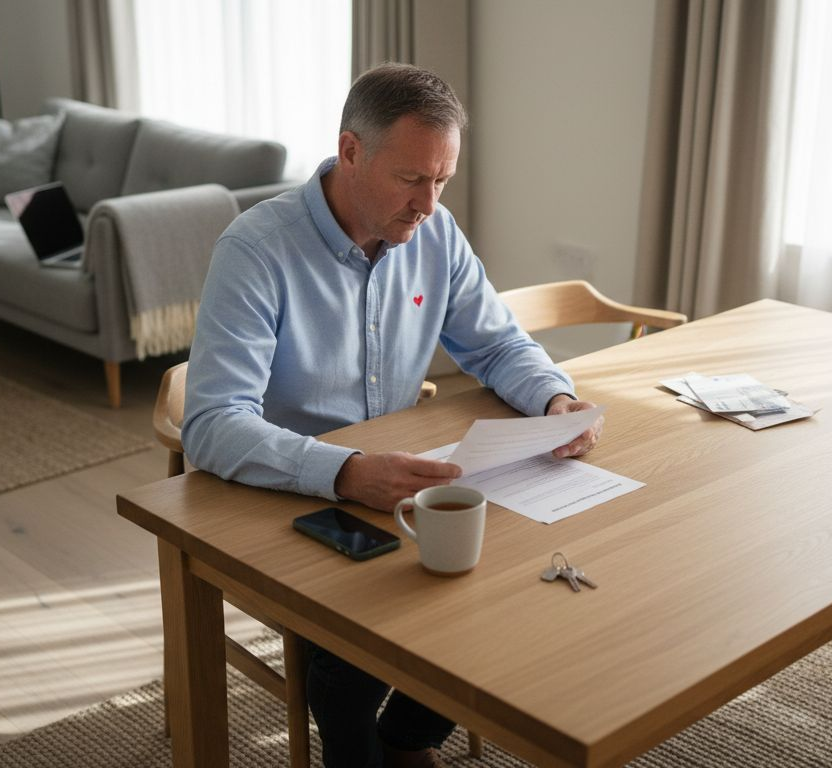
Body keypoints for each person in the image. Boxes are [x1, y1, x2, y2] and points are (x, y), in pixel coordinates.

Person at [182, 63, 602, 768]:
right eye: (412, 179)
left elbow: (498, 344)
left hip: (399, 483)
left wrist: (554, 399)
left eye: (443, 180)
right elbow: (213, 422)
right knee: (353, 664)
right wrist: (345, 472)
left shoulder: (434, 236)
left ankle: (407, 740)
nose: (429, 205)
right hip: (289, 498)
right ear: (351, 152)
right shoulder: (256, 250)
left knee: (510, 587)